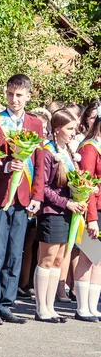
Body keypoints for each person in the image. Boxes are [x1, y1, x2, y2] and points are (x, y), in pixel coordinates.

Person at [0, 74, 45, 325]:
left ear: (28, 96)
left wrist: (37, 195)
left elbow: (39, 164)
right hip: (0, 195)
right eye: (10, 94)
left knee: (15, 252)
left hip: (23, 196)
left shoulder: (35, 123)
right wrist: (7, 166)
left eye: (19, 95)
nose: (14, 99)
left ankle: (8, 303)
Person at [33, 109, 79, 323]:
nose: (73, 132)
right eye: (70, 128)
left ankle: (50, 307)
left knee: (59, 259)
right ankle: (41, 307)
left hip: (66, 211)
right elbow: (43, 187)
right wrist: (66, 202)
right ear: (58, 128)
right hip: (52, 212)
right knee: (47, 258)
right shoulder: (47, 150)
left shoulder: (68, 151)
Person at [74, 107, 101, 322]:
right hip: (95, 209)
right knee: (88, 256)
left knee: (99, 260)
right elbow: (87, 184)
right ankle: (82, 306)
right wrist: (91, 217)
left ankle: (93, 305)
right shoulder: (90, 148)